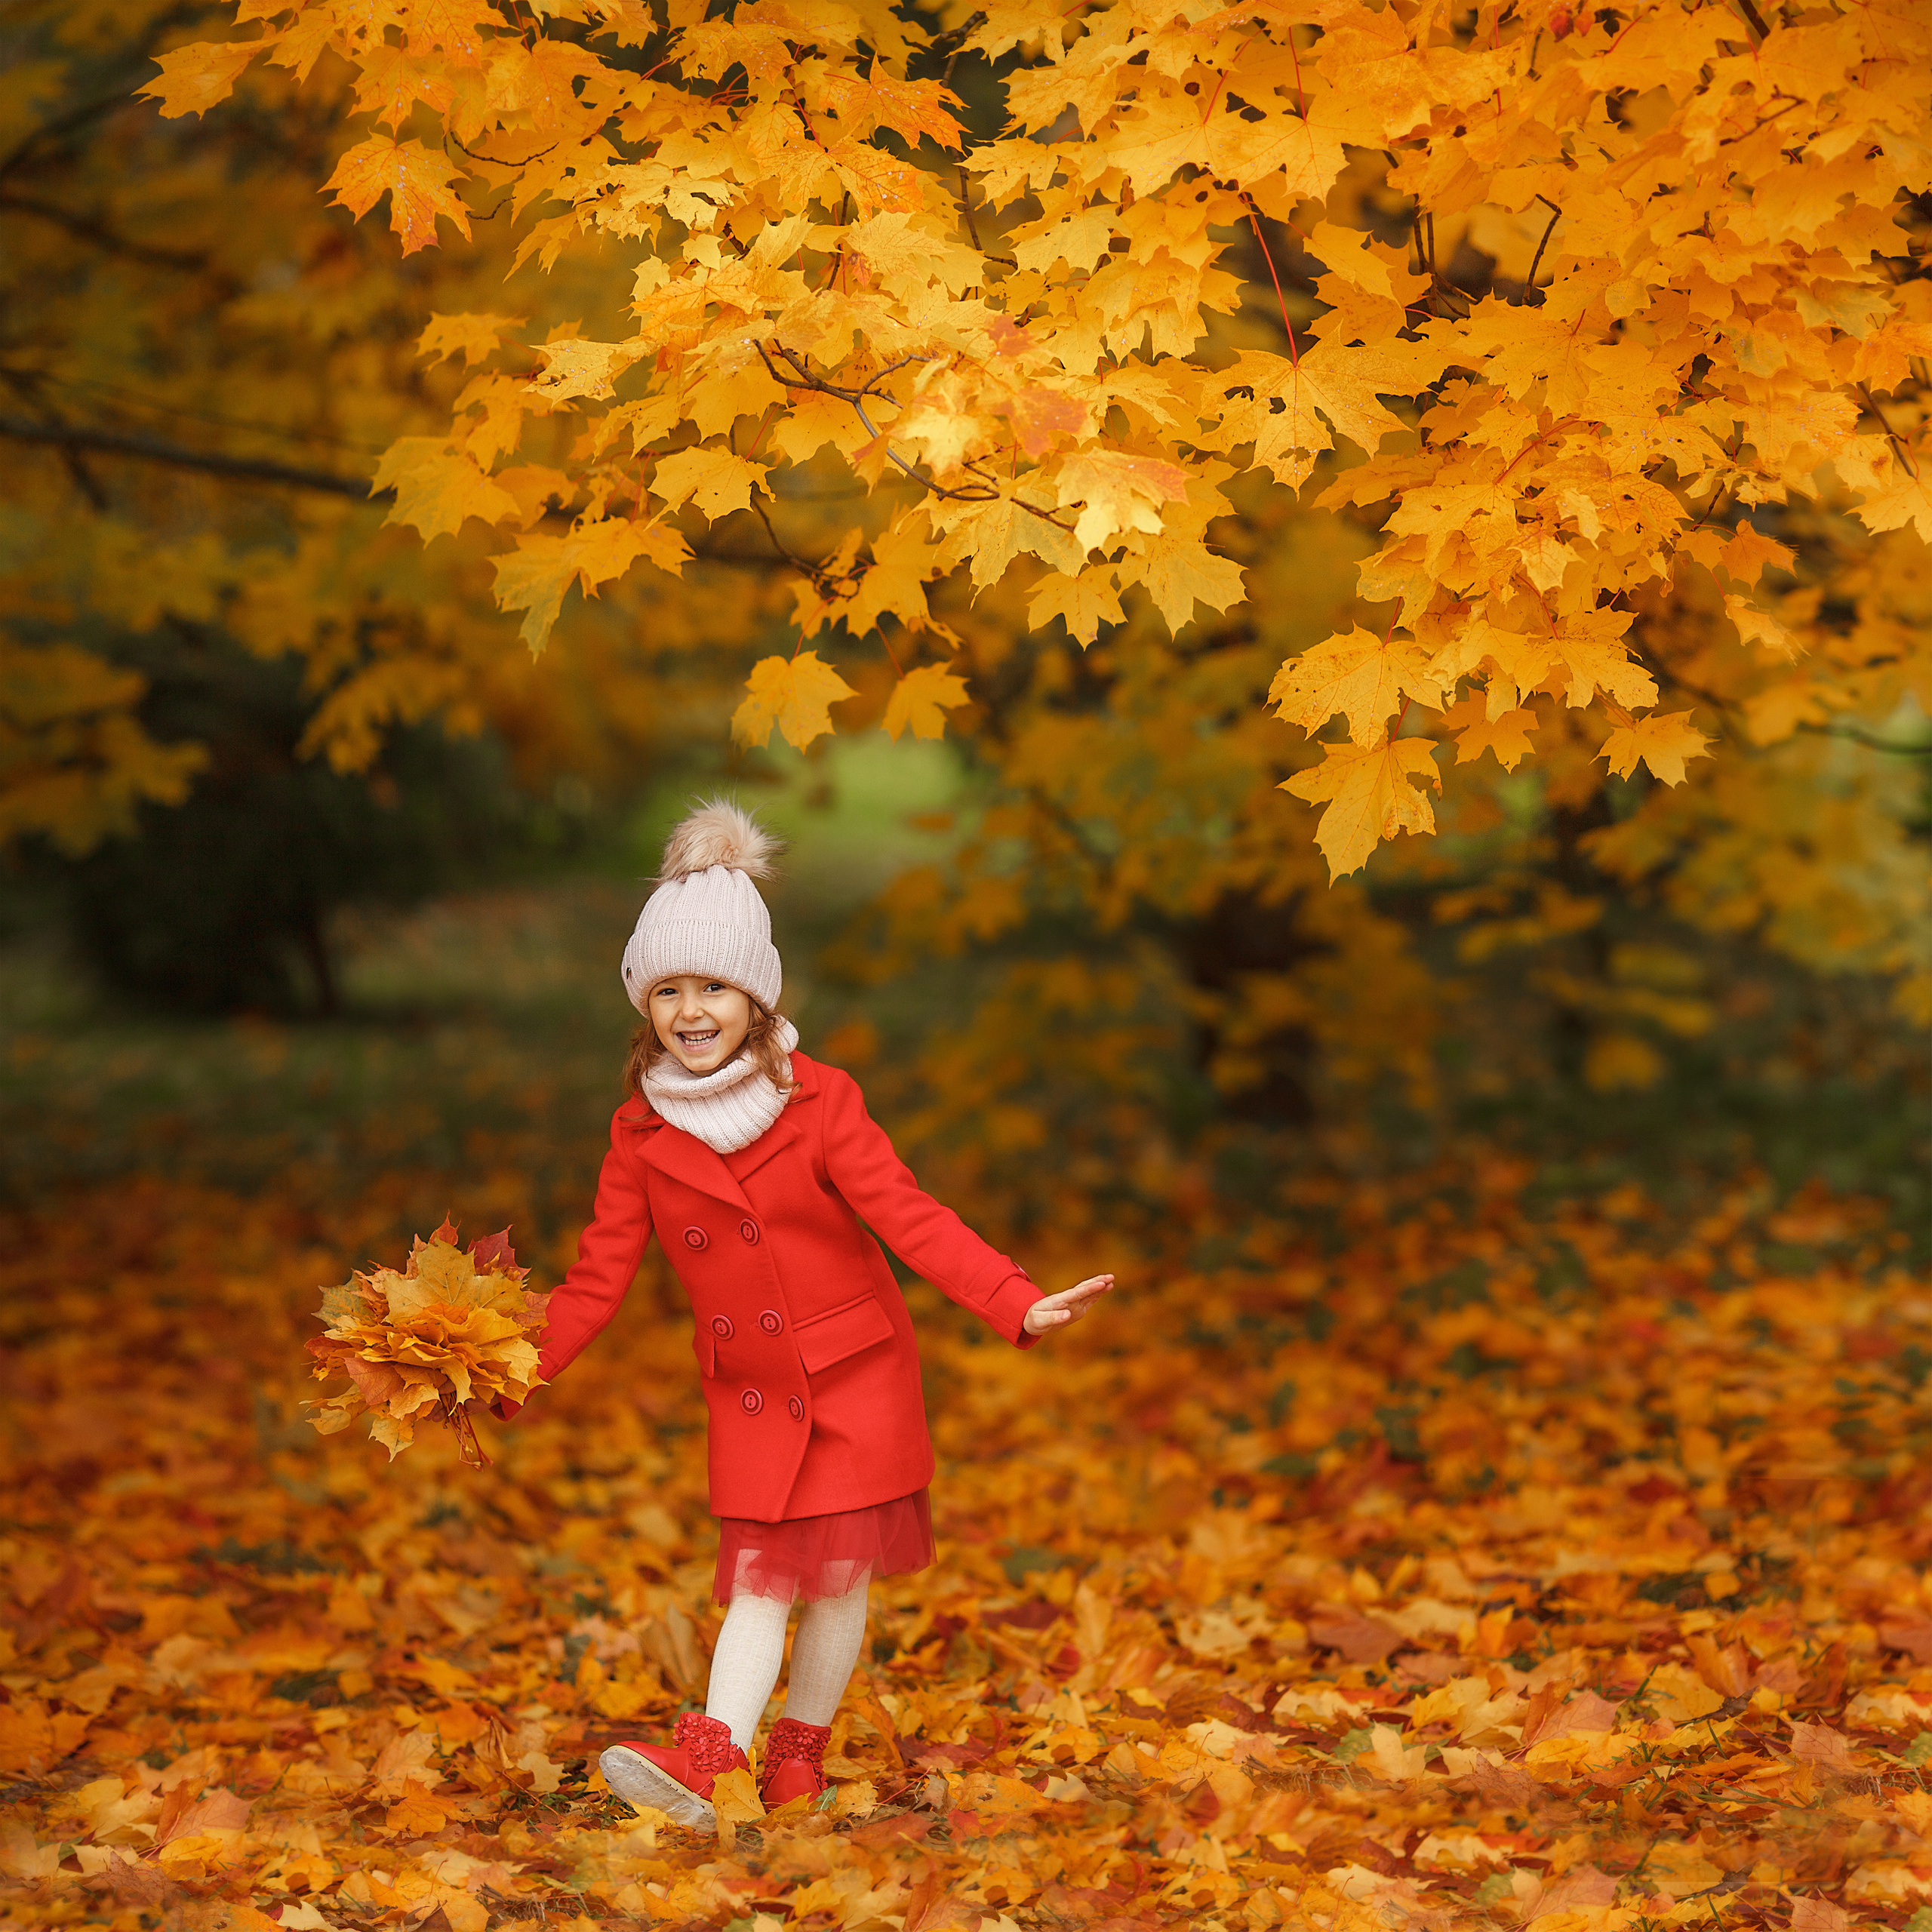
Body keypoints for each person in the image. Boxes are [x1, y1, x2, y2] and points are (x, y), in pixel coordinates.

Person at [498, 800, 1113, 1829]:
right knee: (763, 1578)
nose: (693, 1011)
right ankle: (718, 1761)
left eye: (715, 988)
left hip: (855, 1374)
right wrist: (507, 1368)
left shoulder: (821, 1102)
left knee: (829, 1582)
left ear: (755, 995)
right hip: (754, 1390)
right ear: (645, 1006)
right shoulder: (640, 1130)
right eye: (669, 992)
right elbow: (596, 1278)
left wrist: (1015, 1300)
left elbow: (908, 1216)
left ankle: (786, 1760)